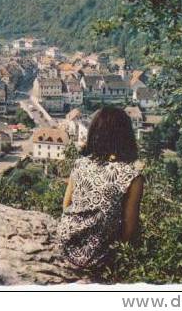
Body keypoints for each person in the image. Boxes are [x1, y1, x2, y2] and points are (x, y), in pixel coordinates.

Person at [57, 106, 144, 268]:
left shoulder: (80, 163)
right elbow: (129, 229)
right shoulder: (133, 176)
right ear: (126, 136)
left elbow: (66, 205)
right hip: (97, 256)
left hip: (66, 243)